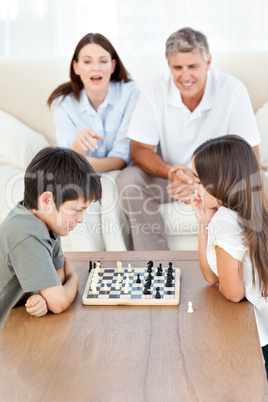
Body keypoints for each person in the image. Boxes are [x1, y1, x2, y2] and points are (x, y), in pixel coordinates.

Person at [116, 27, 261, 251]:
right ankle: (156, 264)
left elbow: (250, 157)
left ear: (208, 62)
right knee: (128, 180)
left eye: (192, 66)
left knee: (258, 182)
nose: (185, 76)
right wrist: (173, 172)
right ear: (169, 67)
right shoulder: (154, 88)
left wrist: (202, 185)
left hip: (215, 180)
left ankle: (239, 260)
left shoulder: (232, 90)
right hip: (170, 178)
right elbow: (139, 151)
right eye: (177, 68)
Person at [47, 32, 140, 251]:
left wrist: (79, 159)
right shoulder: (63, 102)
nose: (95, 68)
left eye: (103, 61)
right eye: (87, 62)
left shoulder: (130, 93)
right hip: (79, 171)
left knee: (107, 185)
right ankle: (89, 268)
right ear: (77, 67)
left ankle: (119, 265)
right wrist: (77, 150)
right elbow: (68, 159)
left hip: (117, 171)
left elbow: (119, 159)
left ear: (113, 66)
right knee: (77, 192)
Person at [0, 147, 102, 333]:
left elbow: (58, 277)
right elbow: (59, 302)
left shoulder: (47, 222)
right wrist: (75, 279)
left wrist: (45, 296)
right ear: (47, 201)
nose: (80, 219)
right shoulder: (26, 233)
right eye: (77, 209)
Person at [191, 134, 268, 378]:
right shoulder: (250, 211)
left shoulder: (226, 221)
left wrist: (213, 223)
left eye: (199, 181)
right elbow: (212, 276)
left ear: (220, 181)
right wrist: (204, 222)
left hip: (259, 335)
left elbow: (233, 293)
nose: (195, 187)